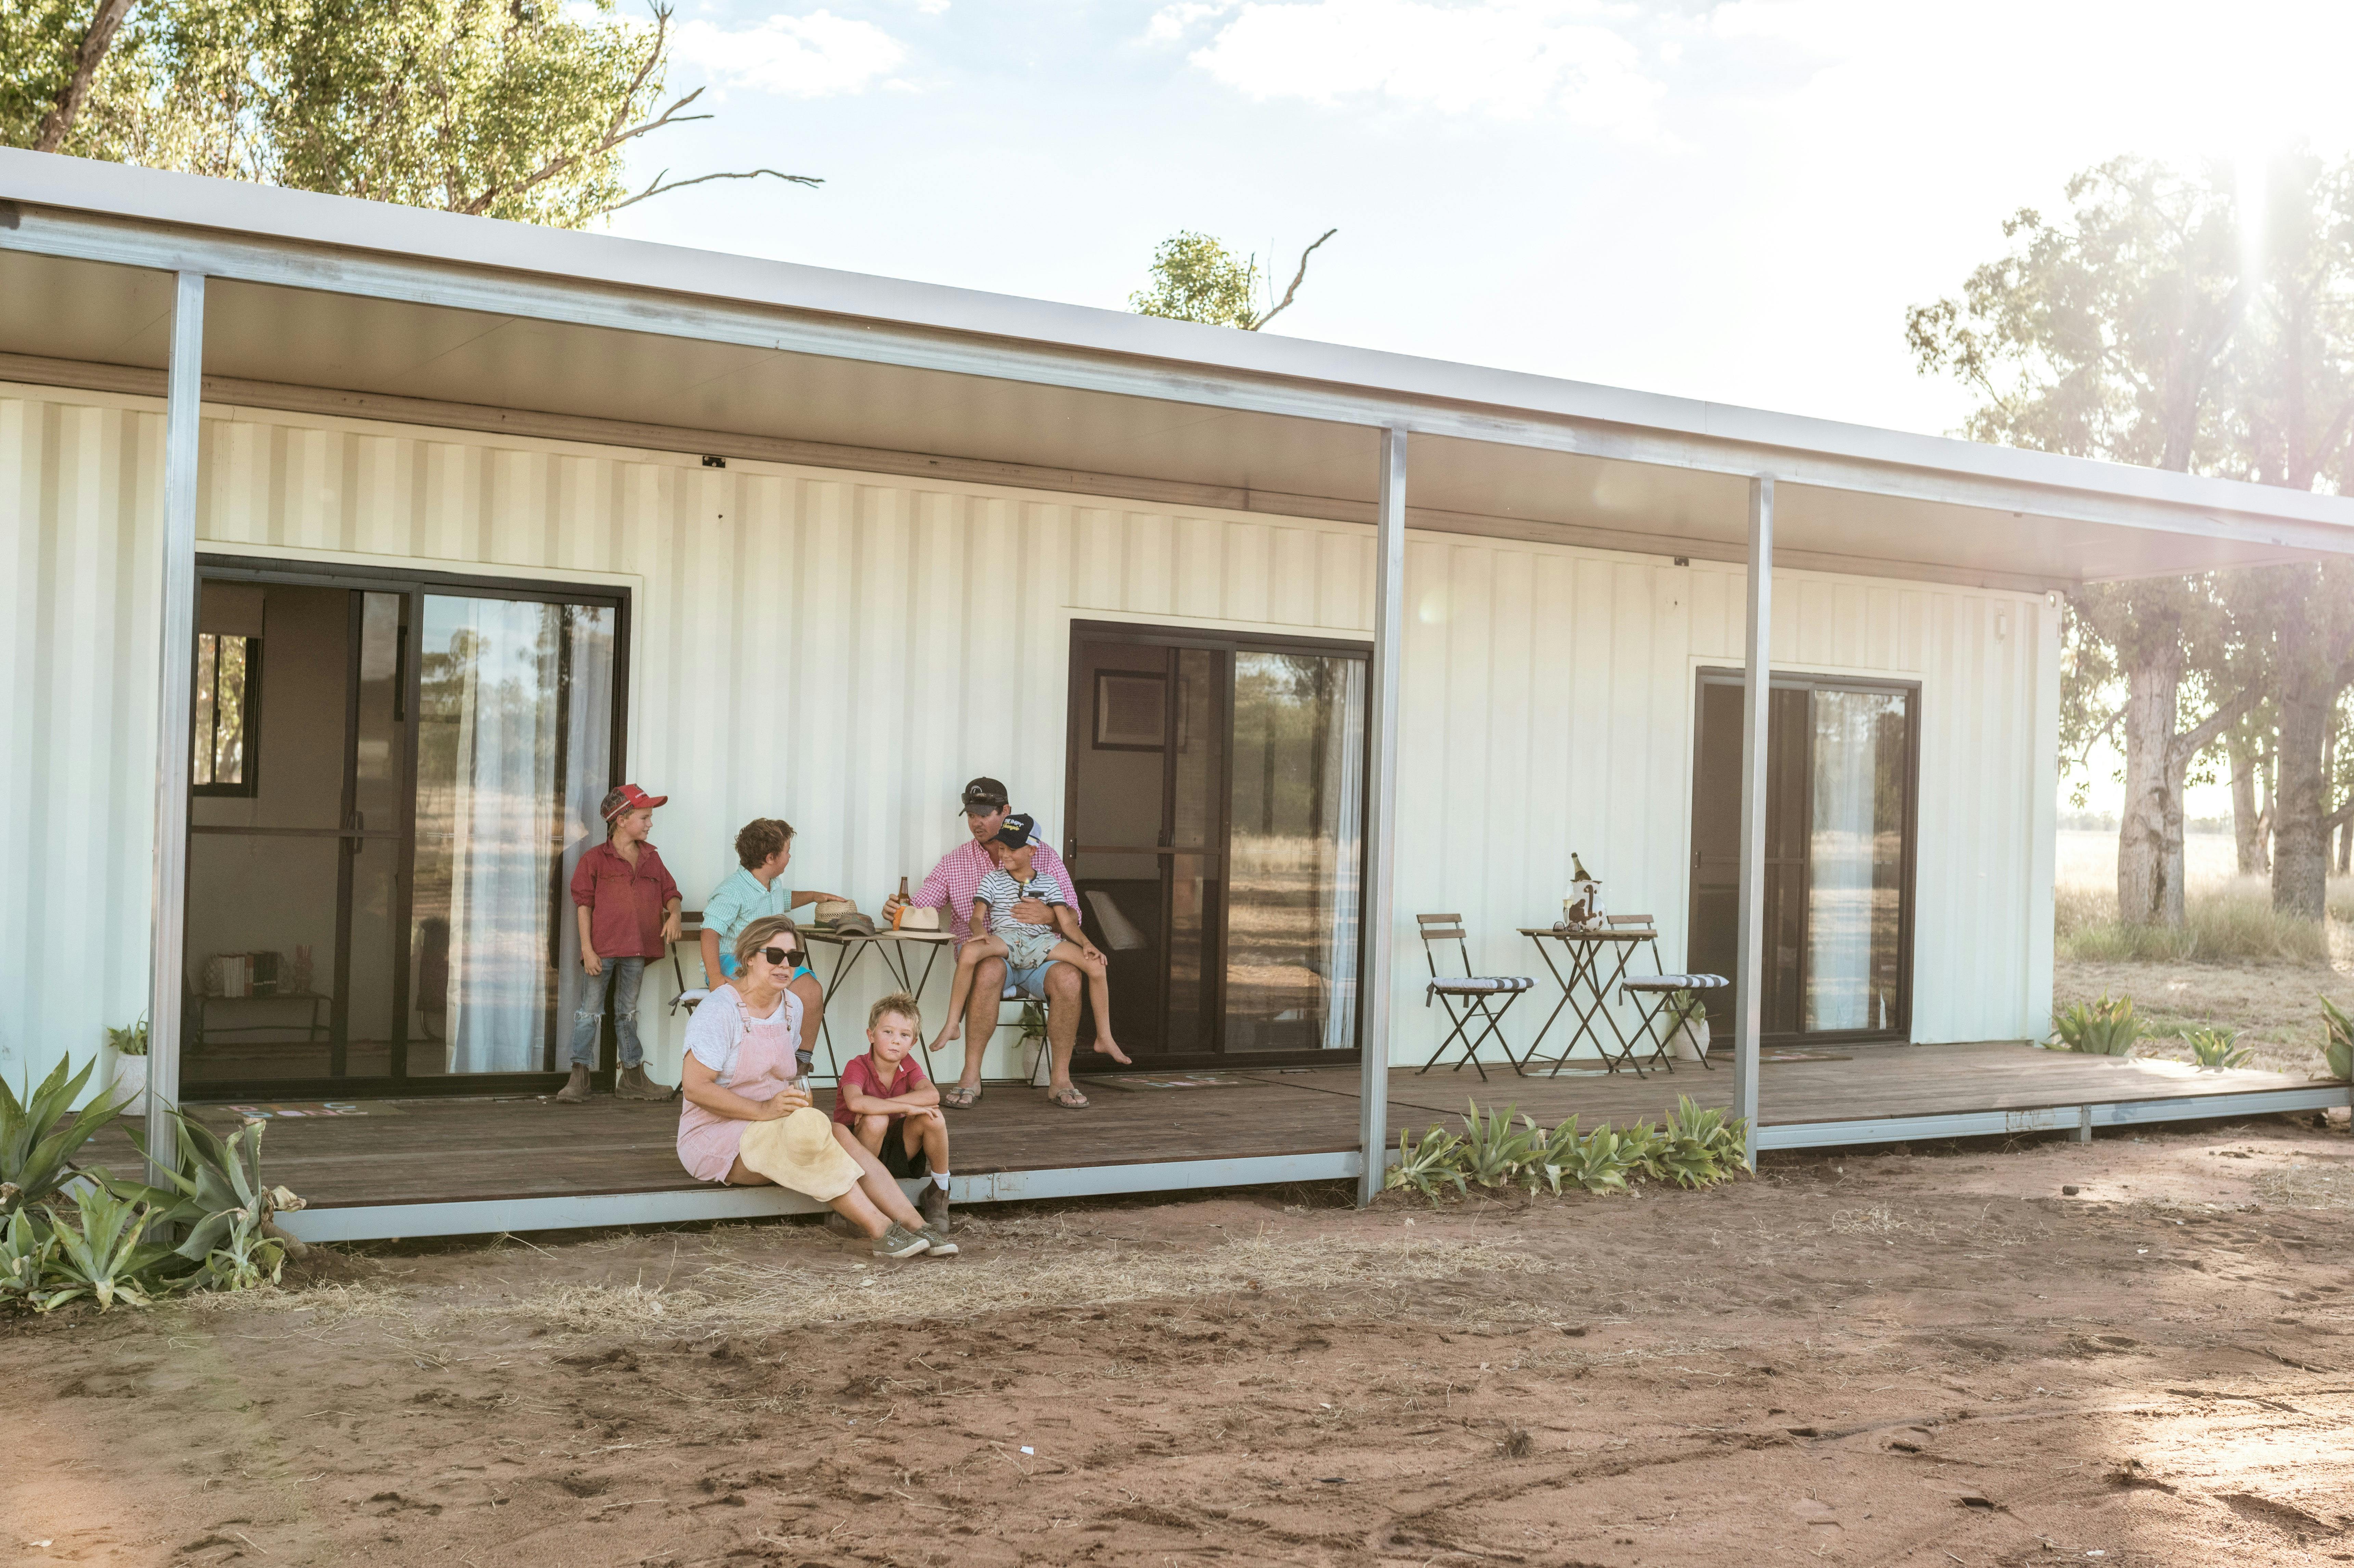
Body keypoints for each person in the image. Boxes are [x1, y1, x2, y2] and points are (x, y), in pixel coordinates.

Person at [676, 916, 955, 1258]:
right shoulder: (718, 1010)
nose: (785, 965)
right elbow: (695, 1089)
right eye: (775, 955)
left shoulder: (792, 1005)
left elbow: (783, 1073)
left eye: (794, 958)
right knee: (809, 1137)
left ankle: (916, 1225)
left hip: (776, 1122)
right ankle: (880, 1230)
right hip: (718, 1135)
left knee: (836, 1130)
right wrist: (765, 1110)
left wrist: (789, 1103)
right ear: (748, 957)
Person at [882, 777, 1103, 1109]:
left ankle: (1060, 1079)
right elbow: (922, 907)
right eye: (971, 815)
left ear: (1006, 812)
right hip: (990, 955)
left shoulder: (1042, 856)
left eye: (984, 814)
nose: (976, 823)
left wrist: (1049, 917)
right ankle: (971, 1075)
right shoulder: (954, 862)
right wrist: (899, 912)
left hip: (1041, 956)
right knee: (987, 969)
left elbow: (1075, 915)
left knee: (1070, 977)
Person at [932, 814, 1127, 1089]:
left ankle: (1104, 1037)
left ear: (1032, 850)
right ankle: (952, 1024)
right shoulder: (992, 879)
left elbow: (1068, 922)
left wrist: (1087, 944)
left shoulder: (1048, 882)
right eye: (1002, 848)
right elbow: (977, 917)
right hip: (1007, 941)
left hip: (1042, 945)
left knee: (1096, 965)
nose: (1005, 854)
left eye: (1012, 849)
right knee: (968, 953)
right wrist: (979, 933)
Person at [563, 783, 682, 1104]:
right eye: (644, 817)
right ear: (622, 819)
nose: (650, 824)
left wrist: (674, 915)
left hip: (637, 950)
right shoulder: (595, 860)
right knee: (590, 1012)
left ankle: (632, 1078)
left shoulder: (652, 858)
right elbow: (584, 905)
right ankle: (579, 1078)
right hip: (602, 950)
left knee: (627, 1013)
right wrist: (588, 950)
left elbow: (671, 893)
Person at [701, 818, 846, 1062]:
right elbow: (710, 933)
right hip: (735, 961)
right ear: (770, 858)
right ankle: (760, 1063)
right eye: (787, 852)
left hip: (774, 959)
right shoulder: (732, 891)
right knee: (770, 993)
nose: (790, 857)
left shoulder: (772, 884)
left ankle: (799, 1062)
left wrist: (813, 896)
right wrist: (715, 977)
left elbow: (784, 900)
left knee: (811, 992)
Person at [835, 992, 952, 1230]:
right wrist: (908, 1105)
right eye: (888, 1032)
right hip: (858, 1152)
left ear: (913, 1043)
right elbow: (856, 1103)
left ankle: (939, 1191)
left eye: (904, 1035)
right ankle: (861, 1198)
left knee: (933, 1117)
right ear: (871, 1035)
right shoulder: (856, 1066)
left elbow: (932, 1097)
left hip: (895, 1150)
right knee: (875, 1121)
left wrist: (902, 1106)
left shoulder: (909, 1066)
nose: (896, 1040)